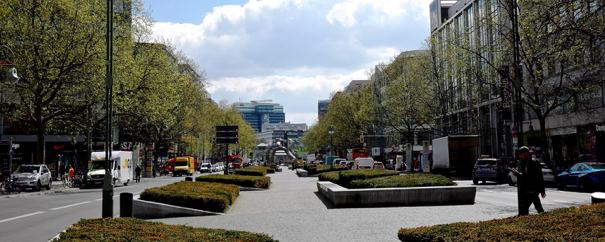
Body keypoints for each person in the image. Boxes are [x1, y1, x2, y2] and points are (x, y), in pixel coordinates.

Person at [510, 146, 546, 216]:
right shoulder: (523, 164)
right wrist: (516, 173)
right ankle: (543, 218)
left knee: (526, 208)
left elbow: (540, 177)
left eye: (521, 155)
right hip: (527, 189)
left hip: (534, 189)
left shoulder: (535, 163)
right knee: (536, 207)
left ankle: (543, 219)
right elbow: (524, 176)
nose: (520, 157)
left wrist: (542, 191)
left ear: (526, 153)